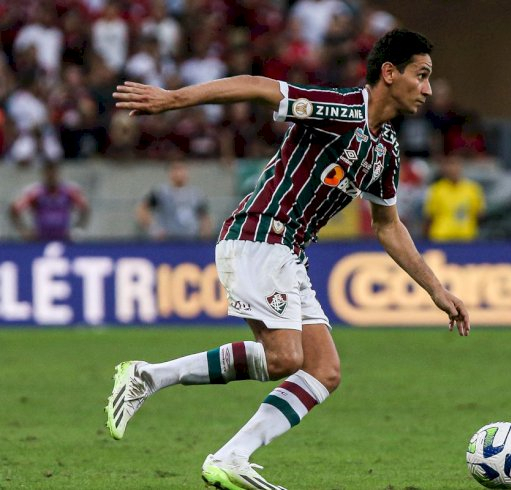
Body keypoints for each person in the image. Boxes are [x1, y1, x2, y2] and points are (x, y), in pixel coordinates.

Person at [106, 29, 470, 490]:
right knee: (285, 358)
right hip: (259, 234)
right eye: (421, 76)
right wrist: (173, 99)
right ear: (389, 73)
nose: (429, 89)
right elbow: (262, 88)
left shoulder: (386, 151)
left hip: (289, 252)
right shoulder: (339, 109)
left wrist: (437, 290)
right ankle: (153, 379)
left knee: (324, 371)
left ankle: (229, 452)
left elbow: (388, 226)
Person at [9, 162, 89, 241]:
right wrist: (24, 231)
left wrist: (77, 229)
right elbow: (14, 209)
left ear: (58, 173)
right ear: (44, 174)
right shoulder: (36, 192)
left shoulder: (68, 191)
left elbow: (85, 208)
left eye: (53, 173)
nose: (51, 176)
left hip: (64, 238)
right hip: (40, 238)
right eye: (48, 173)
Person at [136, 160, 212, 241]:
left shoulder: (196, 194)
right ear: (170, 173)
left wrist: (205, 233)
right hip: (168, 239)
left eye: (182, 169)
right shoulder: (161, 192)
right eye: (175, 169)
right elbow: (142, 209)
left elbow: (204, 216)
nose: (179, 173)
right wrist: (154, 228)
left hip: (191, 238)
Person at [423, 153, 485, 242]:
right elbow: (429, 217)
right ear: (444, 169)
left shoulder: (472, 189)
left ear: (461, 167)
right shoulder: (436, 189)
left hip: (467, 238)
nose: (453, 169)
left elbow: (480, 214)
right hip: (441, 238)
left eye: (455, 164)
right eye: (449, 165)